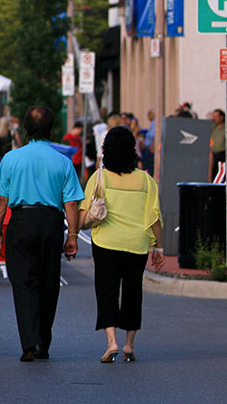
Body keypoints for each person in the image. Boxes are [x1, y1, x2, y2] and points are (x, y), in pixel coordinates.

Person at [0, 106, 83, 361]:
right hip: (52, 223)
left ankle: (29, 342)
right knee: (49, 282)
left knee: (23, 283)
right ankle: (44, 340)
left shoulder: (11, 158)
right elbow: (72, 203)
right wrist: (72, 236)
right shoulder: (62, 162)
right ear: (51, 129)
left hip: (21, 220)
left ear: (27, 130)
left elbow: (2, 199)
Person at [81, 126, 164, 363]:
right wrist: (159, 248)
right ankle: (129, 344)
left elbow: (84, 211)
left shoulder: (100, 177)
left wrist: (73, 235)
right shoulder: (146, 181)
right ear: (132, 149)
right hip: (137, 245)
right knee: (132, 292)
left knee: (106, 290)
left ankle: (111, 342)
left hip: (106, 242)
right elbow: (155, 217)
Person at [210, 109, 226, 178]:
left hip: (222, 155)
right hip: (213, 155)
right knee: (214, 174)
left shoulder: (226, 129)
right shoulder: (213, 128)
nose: (214, 118)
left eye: (216, 116)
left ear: (221, 117)